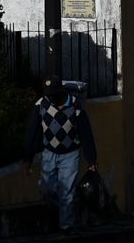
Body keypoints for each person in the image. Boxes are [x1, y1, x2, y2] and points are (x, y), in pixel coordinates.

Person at [35, 78, 98, 231]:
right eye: (50, 95)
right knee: (47, 189)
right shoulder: (41, 105)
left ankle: (67, 227)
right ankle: (66, 208)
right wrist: (27, 156)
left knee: (67, 192)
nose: (52, 99)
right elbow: (33, 129)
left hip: (70, 153)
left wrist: (91, 160)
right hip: (49, 152)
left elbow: (85, 133)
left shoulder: (76, 106)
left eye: (55, 95)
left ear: (62, 91)